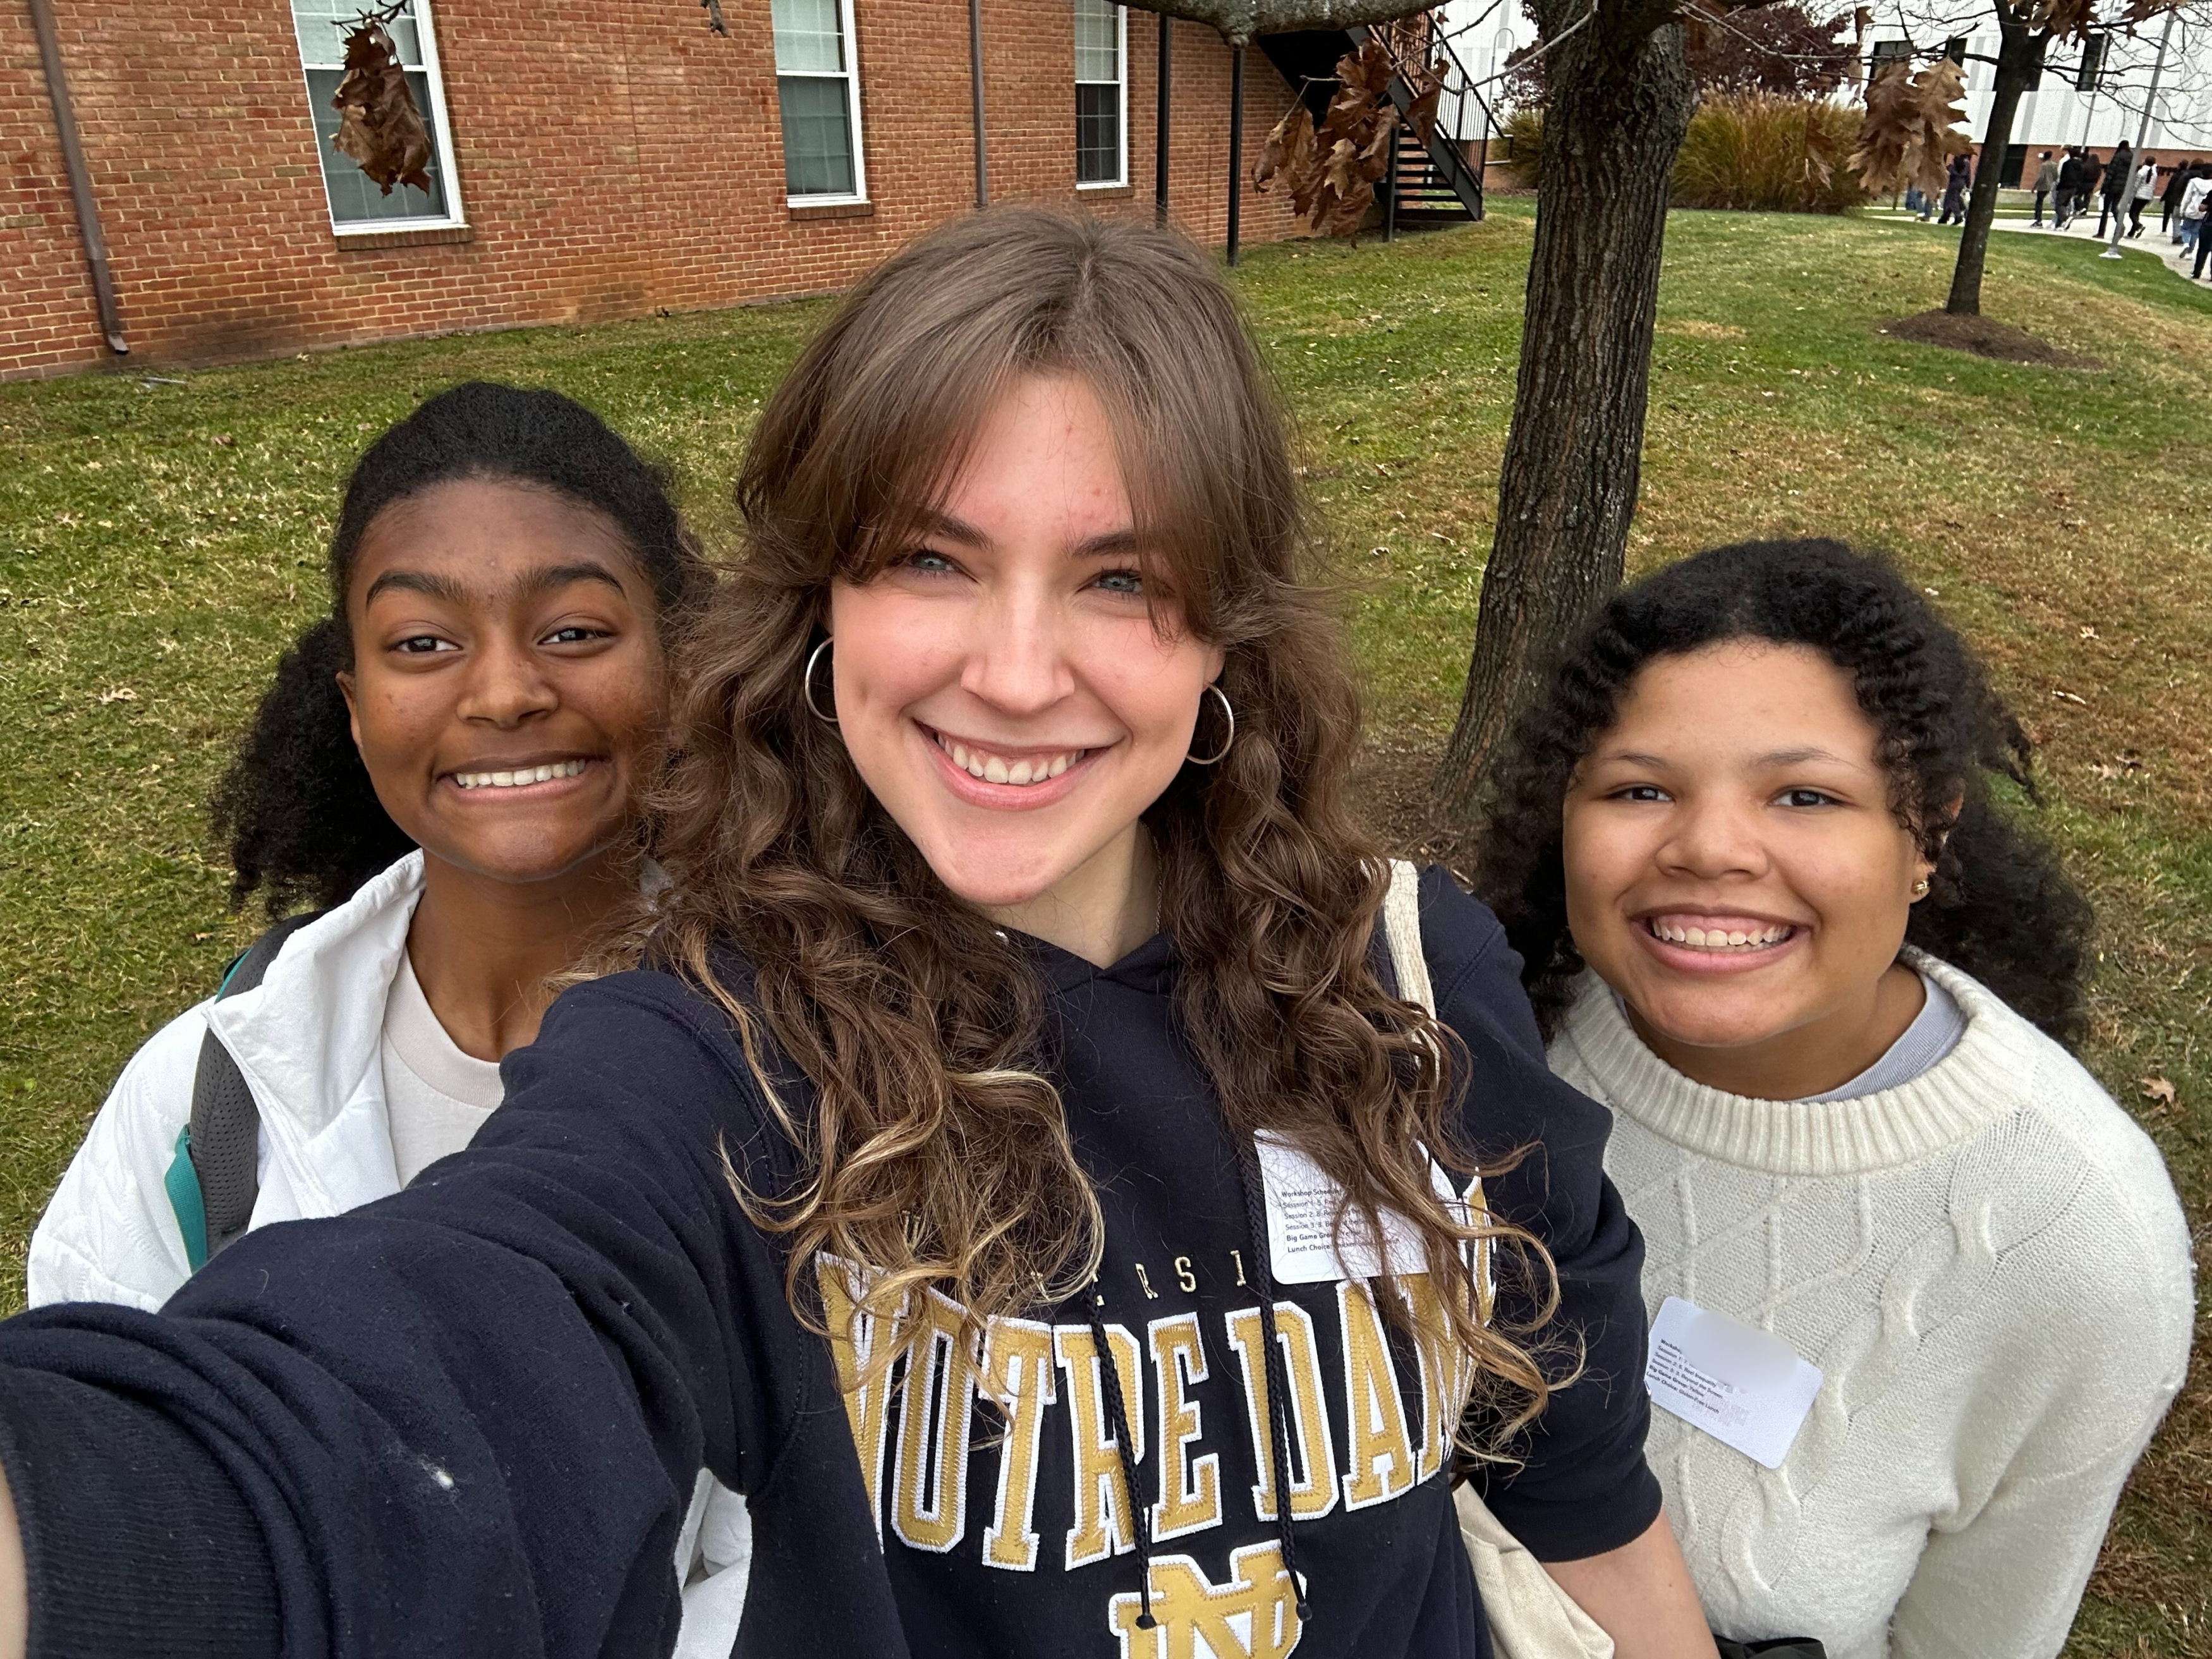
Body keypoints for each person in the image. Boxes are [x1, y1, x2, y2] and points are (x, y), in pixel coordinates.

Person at [0, 211, 1720, 1659]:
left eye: (1119, 580)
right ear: (823, 602)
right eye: (930, 560)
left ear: (1226, 635)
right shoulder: (708, 1053)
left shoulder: (1406, 976)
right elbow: (447, 1379)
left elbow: (1574, 1472)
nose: (1017, 670)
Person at [20, 380, 757, 1655]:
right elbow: (118, 1479)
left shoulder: (811, 1066)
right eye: (424, 642)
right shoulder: (211, 1106)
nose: (506, 689)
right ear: (354, 698)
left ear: (678, 659)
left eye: (575, 628)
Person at [1474, 540, 2194, 1659]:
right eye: (1640, 788)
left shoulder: (2075, 1239)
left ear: (1927, 833)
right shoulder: (1478, 1043)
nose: (1711, 846)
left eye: (1805, 795)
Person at [2096, 140, 2133, 239]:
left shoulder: (2118, 156)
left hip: (2112, 186)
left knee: (2105, 211)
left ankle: (2101, 232)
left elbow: (2111, 173)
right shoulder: (2132, 158)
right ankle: (2120, 225)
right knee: (2114, 208)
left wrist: (2104, 188)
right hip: (2122, 187)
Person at [2129, 153, 2158, 236]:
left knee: (2132, 213)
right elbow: (2153, 186)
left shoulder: (2141, 172)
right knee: (2137, 213)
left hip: (2139, 195)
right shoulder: (2155, 173)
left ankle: (2139, 226)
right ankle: (2132, 232)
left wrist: (2132, 195)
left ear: (2145, 162)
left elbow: (2136, 185)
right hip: (2148, 196)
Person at [1937, 152, 1970, 224]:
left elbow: (1953, 171)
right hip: (1962, 182)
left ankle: (1958, 216)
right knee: (1954, 198)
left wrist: (1948, 168)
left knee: (1952, 200)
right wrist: (1968, 185)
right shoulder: (1967, 162)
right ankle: (1945, 217)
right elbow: (1968, 174)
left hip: (1955, 182)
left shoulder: (1957, 161)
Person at [2054, 147, 2084, 228]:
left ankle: (2065, 219)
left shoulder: (2067, 164)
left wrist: (2059, 187)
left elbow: (2063, 176)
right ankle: (2060, 224)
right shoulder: (2081, 165)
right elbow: (2081, 177)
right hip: (2074, 187)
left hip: (2065, 186)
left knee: (2059, 205)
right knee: (2065, 204)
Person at [2032, 149, 2058, 226]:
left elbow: (2041, 177)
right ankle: (2038, 219)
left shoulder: (2044, 165)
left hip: (2042, 186)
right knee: (2041, 201)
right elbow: (2056, 176)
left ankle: (2038, 220)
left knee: (2039, 203)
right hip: (2050, 185)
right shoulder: (2054, 165)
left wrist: (2034, 187)